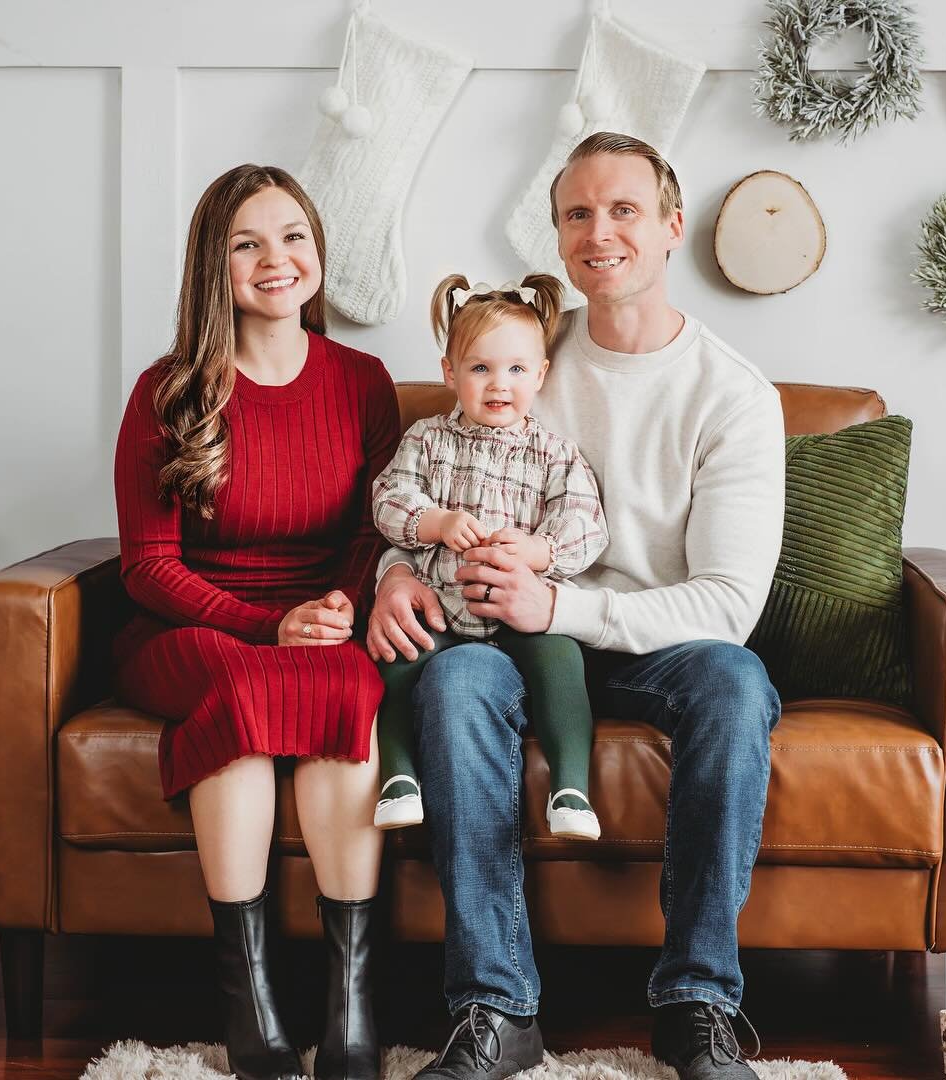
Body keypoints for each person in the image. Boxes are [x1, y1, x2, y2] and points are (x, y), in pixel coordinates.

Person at [368, 132, 787, 1080]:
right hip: (503, 635)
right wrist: (394, 572)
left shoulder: (733, 398)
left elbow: (726, 605)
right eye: (577, 214)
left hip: (655, 640)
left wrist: (561, 605)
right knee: (455, 682)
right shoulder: (516, 363)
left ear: (673, 227)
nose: (600, 232)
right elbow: (427, 483)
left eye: (624, 209)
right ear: (559, 239)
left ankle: (697, 1005)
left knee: (736, 681)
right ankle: (495, 1008)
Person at [112, 163, 399, 1080]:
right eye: (247, 243)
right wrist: (264, 624)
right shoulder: (168, 392)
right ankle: (252, 1007)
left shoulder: (363, 380)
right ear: (213, 265)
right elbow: (148, 566)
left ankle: (351, 1010)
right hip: (192, 633)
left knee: (348, 681)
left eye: (293, 237)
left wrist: (340, 608)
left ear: (318, 253)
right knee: (241, 685)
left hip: (323, 628)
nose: (276, 260)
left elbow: (375, 527)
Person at [369, 272, 608, 840]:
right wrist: (437, 521)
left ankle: (571, 787)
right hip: (442, 610)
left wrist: (540, 549)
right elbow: (388, 500)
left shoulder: (554, 453)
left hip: (522, 613)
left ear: (541, 374)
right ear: (450, 373)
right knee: (397, 657)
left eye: (517, 369)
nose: (499, 384)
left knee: (561, 661)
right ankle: (398, 776)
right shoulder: (427, 440)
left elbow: (586, 524)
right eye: (480, 368)